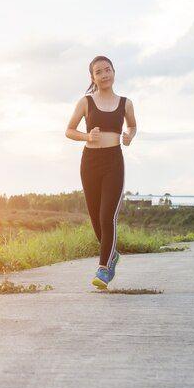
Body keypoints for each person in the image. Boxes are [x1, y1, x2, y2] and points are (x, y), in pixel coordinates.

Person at [64, 55, 137, 290]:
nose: (104, 75)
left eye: (108, 70)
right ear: (92, 77)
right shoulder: (86, 102)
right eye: (99, 72)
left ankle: (104, 268)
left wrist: (129, 136)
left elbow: (133, 125)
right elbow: (69, 130)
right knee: (96, 218)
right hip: (90, 162)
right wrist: (87, 136)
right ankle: (112, 255)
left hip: (113, 161)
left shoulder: (125, 103)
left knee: (108, 217)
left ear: (114, 72)